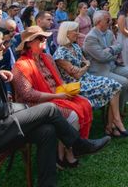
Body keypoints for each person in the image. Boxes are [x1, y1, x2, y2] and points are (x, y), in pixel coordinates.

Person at [0, 30, 110, 187]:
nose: (4, 47)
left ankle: (48, 183)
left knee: (47, 130)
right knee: (49, 109)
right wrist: (26, 107)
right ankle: (79, 144)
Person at [12, 26, 94, 167]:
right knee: (73, 115)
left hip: (54, 95)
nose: (45, 40)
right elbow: (28, 95)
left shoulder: (47, 58)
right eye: (40, 38)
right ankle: (66, 153)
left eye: (45, 37)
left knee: (84, 103)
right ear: (29, 43)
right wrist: (58, 95)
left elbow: (58, 81)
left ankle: (63, 152)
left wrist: (66, 91)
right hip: (34, 105)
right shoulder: (20, 66)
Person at [53, 22, 128, 137]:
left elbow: (83, 64)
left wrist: (84, 67)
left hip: (87, 78)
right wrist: (86, 66)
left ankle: (112, 124)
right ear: (66, 33)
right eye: (75, 31)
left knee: (116, 85)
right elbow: (78, 75)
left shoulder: (74, 46)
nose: (78, 33)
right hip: (76, 85)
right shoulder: (60, 53)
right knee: (113, 87)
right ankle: (114, 124)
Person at [83, 10, 128, 113]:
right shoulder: (91, 37)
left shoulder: (109, 32)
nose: (110, 22)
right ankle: (116, 111)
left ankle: (120, 105)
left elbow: (119, 45)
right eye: (107, 20)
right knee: (123, 82)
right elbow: (102, 57)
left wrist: (110, 50)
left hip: (112, 66)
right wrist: (113, 53)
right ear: (99, 21)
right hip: (99, 70)